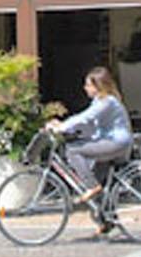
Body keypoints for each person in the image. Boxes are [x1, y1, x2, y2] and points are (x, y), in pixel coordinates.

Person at [49, 66, 132, 204]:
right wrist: (64, 126)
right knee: (97, 183)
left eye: (88, 85)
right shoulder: (100, 101)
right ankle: (106, 221)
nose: (85, 88)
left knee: (73, 150)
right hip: (109, 141)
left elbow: (86, 117)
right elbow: (87, 123)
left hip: (116, 142)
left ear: (98, 86)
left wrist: (62, 127)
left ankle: (91, 186)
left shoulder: (107, 102)